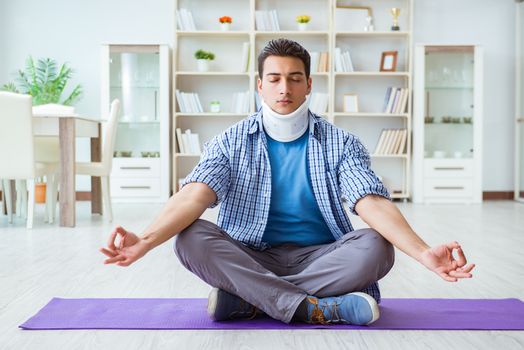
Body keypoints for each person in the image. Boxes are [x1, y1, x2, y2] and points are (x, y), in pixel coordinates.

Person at [100, 38, 475, 326]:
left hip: (321, 256)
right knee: (191, 237)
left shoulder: (341, 143)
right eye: (275, 79)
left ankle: (250, 300)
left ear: (309, 84)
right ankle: (316, 308)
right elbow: (194, 195)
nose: (285, 89)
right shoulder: (229, 141)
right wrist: (146, 241)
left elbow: (370, 202)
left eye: (295, 79)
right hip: (250, 254)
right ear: (259, 85)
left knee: (377, 245)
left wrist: (425, 253)